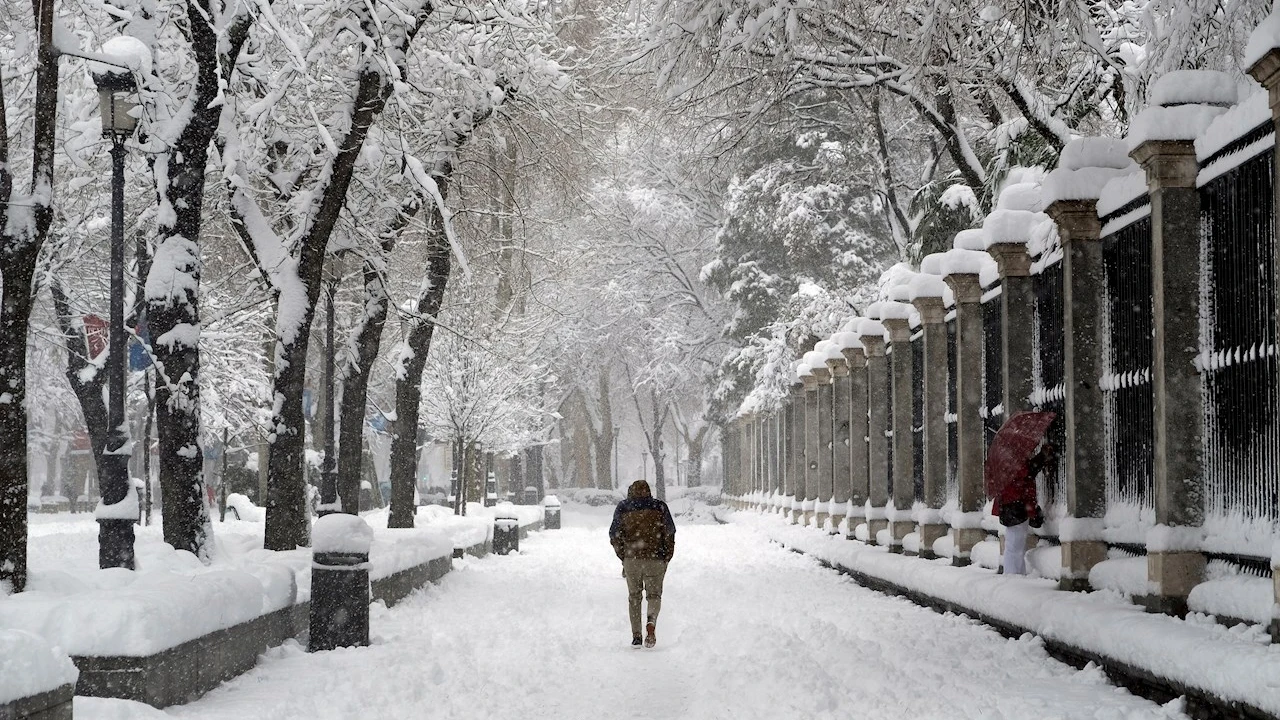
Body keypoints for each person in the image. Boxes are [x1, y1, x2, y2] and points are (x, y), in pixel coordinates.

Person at [609, 480, 676, 648]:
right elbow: (669, 532)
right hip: (655, 559)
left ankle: (636, 635)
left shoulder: (623, 507)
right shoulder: (659, 507)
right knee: (654, 595)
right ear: (649, 491)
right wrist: (666, 556)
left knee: (634, 597)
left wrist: (623, 556)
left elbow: (614, 534)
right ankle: (651, 622)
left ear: (631, 492)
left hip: (632, 559)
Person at [993, 443, 1053, 575]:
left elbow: (1029, 470)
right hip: (1016, 508)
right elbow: (1028, 473)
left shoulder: (1007, 462)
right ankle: (1013, 575)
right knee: (1015, 546)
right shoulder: (1016, 464)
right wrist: (1042, 457)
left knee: (1014, 546)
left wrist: (1040, 458)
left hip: (1009, 507)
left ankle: (1016, 574)